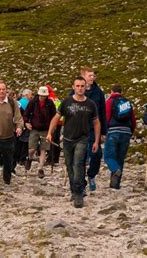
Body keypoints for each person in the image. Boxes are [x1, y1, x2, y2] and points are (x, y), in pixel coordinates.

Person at [48, 76, 100, 208]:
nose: (80, 88)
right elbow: (56, 118)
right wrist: (49, 133)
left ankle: (78, 193)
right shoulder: (66, 102)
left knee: (78, 164)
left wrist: (97, 141)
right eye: (77, 86)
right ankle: (74, 189)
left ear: (86, 87)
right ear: (73, 87)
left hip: (82, 139)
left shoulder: (90, 104)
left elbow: (96, 122)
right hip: (67, 139)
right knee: (70, 166)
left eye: (82, 86)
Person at [76, 67, 107, 192]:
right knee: (81, 156)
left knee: (96, 153)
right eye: (90, 75)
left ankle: (92, 175)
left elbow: (103, 112)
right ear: (83, 76)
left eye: (93, 75)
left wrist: (104, 131)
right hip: (79, 128)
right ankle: (81, 183)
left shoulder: (98, 92)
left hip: (94, 128)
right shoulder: (75, 91)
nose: (92, 78)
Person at [103, 84, 136, 189]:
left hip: (113, 131)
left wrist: (104, 131)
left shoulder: (109, 101)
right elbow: (133, 119)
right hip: (126, 132)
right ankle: (115, 184)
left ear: (111, 91)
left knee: (108, 156)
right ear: (121, 92)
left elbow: (107, 117)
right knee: (120, 158)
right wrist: (131, 131)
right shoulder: (127, 102)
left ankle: (114, 169)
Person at [24, 86, 57, 178]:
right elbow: (26, 114)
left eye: (44, 95)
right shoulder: (33, 102)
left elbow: (54, 116)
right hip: (34, 128)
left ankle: (40, 168)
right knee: (32, 149)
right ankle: (29, 158)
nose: (43, 97)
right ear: (39, 94)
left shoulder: (50, 103)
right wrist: (26, 123)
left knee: (43, 149)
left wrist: (52, 128)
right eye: (41, 95)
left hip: (46, 129)